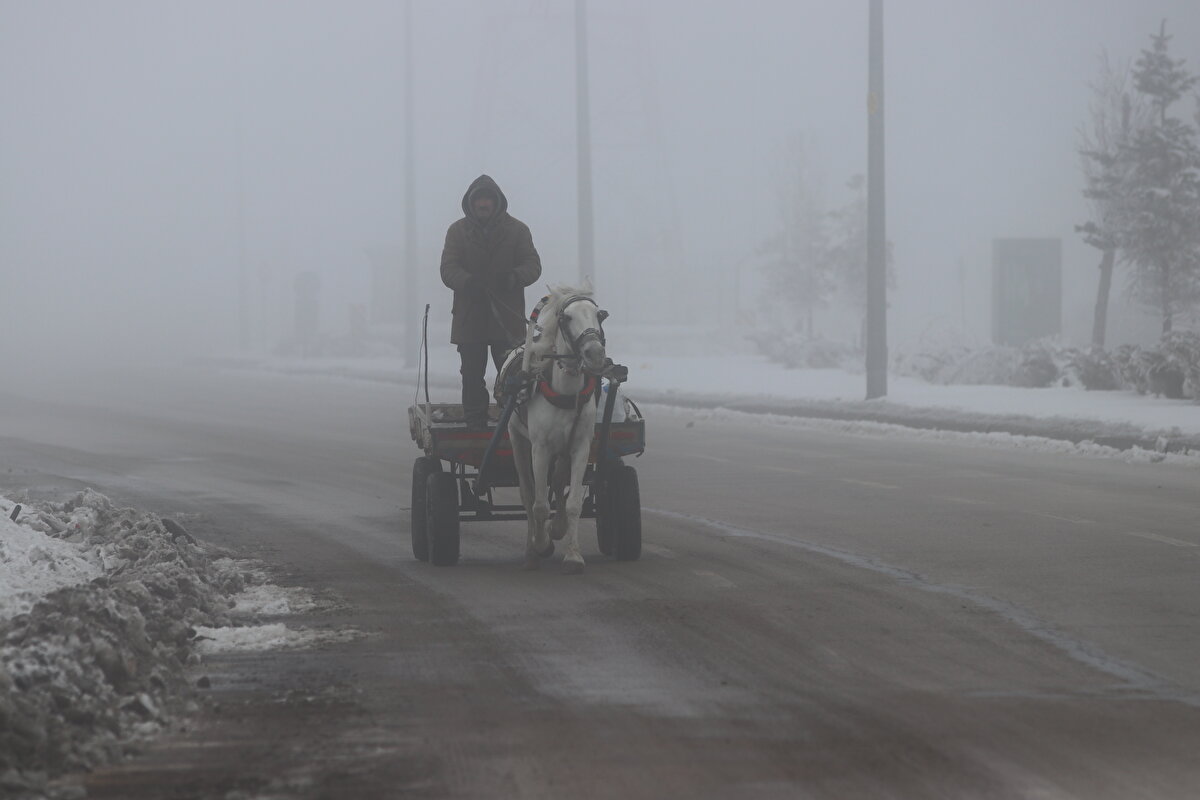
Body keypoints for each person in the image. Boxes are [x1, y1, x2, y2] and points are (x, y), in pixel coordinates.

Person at [440, 175, 542, 429]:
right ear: (470, 204)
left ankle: (514, 423)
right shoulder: (457, 232)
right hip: (469, 318)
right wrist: (467, 281)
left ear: (496, 203)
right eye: (478, 200)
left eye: (487, 199)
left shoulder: (518, 231)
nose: (482, 204)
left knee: (512, 375)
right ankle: (475, 425)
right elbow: (447, 268)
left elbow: (533, 265)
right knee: (472, 376)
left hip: (507, 319)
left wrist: (513, 277)